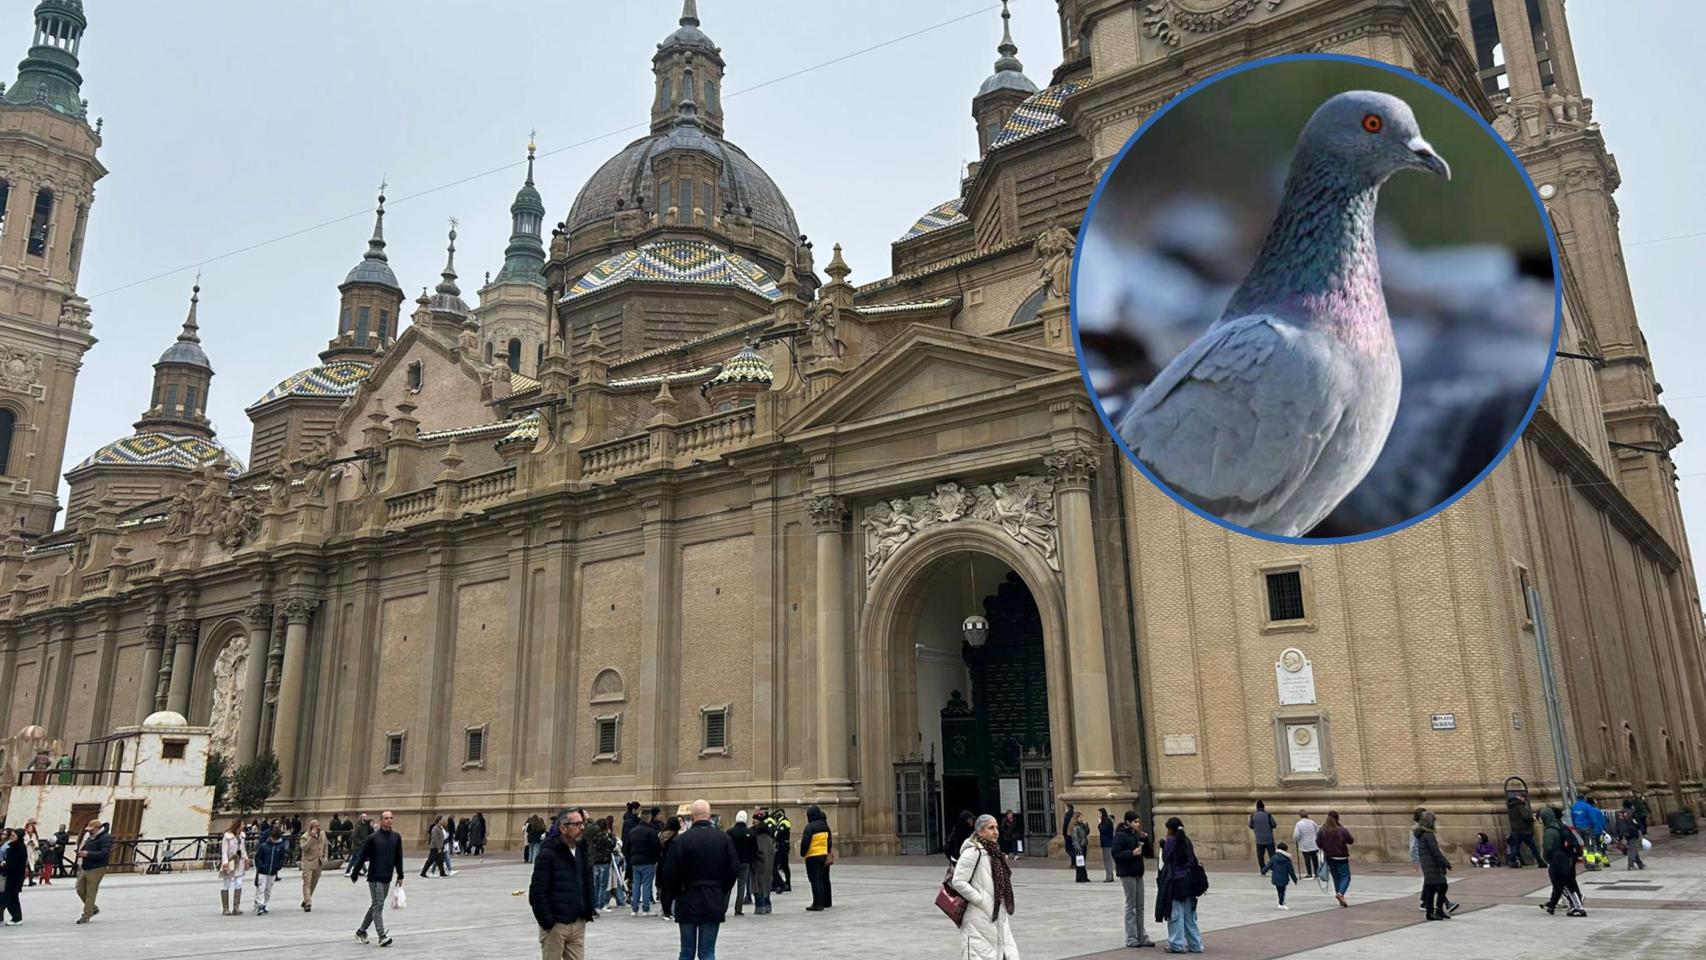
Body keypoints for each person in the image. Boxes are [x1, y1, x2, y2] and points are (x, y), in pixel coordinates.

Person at [664, 799, 739, 960]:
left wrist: (678, 892)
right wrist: (722, 889)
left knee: (686, 951)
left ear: (692, 816)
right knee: (707, 951)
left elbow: (669, 873)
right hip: (713, 897)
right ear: (709, 816)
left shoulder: (680, 841)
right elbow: (733, 869)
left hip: (687, 898)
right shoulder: (723, 839)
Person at [950, 814, 1020, 960]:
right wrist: (980, 899)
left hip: (997, 914)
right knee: (982, 954)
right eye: (991, 828)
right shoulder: (973, 852)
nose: (996, 832)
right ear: (980, 831)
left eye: (996, 828)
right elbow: (958, 881)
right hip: (978, 917)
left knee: (1004, 952)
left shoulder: (994, 853)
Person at [530, 808, 596, 960]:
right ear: (563, 828)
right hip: (556, 925)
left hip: (578, 921)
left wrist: (587, 909)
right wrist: (548, 921)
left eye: (582, 824)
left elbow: (585, 882)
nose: (582, 828)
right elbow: (537, 892)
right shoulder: (548, 854)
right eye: (577, 824)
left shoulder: (581, 850)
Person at [349, 809, 404, 946]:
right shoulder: (372, 838)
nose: (388, 820)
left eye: (391, 818)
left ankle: (361, 931)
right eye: (386, 818)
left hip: (387, 876)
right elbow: (362, 856)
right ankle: (381, 935)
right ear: (381, 820)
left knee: (375, 906)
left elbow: (399, 857)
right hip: (374, 877)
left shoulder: (396, 837)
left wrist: (400, 874)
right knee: (378, 905)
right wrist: (355, 873)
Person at [1112, 810, 1155, 948]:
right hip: (1127, 872)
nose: (1138, 824)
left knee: (1140, 905)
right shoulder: (1120, 836)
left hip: (1138, 872)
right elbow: (1116, 854)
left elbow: (1148, 853)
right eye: (1135, 822)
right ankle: (1131, 937)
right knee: (1131, 905)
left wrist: (1146, 841)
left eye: (1138, 822)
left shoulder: (1136, 835)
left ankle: (1142, 936)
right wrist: (1131, 853)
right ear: (1128, 822)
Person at [1159, 817, 1202, 954]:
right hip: (1189, 881)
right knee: (1189, 916)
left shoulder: (1171, 841)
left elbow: (1166, 859)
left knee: (1176, 914)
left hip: (1175, 882)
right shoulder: (1187, 841)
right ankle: (1195, 944)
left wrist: (1164, 845)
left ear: (1170, 829)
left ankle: (1176, 944)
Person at [1539, 806, 1586, 917]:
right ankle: (1570, 904)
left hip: (1558, 861)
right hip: (1567, 859)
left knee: (1564, 884)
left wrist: (1547, 858)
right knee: (1567, 884)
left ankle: (1578, 906)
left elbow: (1548, 847)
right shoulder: (1561, 826)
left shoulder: (1550, 830)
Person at [1414, 811, 1452, 921]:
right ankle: (1435, 911)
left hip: (1427, 864)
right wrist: (1445, 863)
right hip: (1431, 864)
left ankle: (1433, 911)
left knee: (1433, 888)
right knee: (1441, 886)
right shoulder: (1428, 835)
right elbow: (1435, 851)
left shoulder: (1422, 834)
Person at [74, 820, 114, 924]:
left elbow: (104, 853)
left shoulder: (106, 837)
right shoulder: (90, 837)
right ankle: (93, 908)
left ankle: (86, 915)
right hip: (86, 866)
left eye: (90, 830)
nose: (89, 832)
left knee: (91, 891)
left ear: (97, 828)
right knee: (79, 888)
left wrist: (88, 854)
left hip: (98, 867)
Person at [626, 810, 661, 916]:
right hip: (648, 861)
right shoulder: (651, 831)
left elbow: (627, 847)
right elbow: (655, 847)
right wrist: (656, 858)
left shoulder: (633, 831)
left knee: (636, 884)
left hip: (635, 861)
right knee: (646, 884)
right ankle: (646, 909)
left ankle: (634, 909)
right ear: (649, 818)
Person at [800, 805, 834, 912]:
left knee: (814, 880)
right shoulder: (825, 826)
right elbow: (829, 842)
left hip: (812, 856)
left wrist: (803, 853)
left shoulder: (810, 827)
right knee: (821, 879)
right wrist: (826, 851)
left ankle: (817, 903)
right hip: (822, 855)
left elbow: (805, 843)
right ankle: (823, 901)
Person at [1317, 811, 1354, 907]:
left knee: (1336, 877)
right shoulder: (1341, 830)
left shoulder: (1322, 830)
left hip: (1329, 857)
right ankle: (1340, 893)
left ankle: (1340, 896)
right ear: (1337, 819)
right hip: (1341, 856)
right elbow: (1350, 840)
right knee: (1346, 876)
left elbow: (1318, 843)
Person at [253, 825, 290, 915]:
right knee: (261, 888)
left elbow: (282, 858)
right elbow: (257, 858)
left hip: (273, 871)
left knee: (268, 889)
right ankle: (260, 904)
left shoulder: (280, 847)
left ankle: (264, 904)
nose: (274, 840)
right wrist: (260, 866)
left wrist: (278, 866)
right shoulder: (264, 846)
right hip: (263, 871)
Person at [217, 818, 249, 916]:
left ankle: (236, 907)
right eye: (242, 824)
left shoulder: (242, 836)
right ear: (238, 825)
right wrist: (225, 862)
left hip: (239, 861)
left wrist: (247, 859)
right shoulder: (227, 837)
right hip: (230, 861)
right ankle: (225, 908)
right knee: (226, 883)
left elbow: (243, 849)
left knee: (238, 883)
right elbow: (224, 851)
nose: (243, 826)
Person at [727, 811, 756, 916]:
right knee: (741, 886)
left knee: (728, 886)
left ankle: (723, 908)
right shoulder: (750, 833)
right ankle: (738, 909)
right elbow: (754, 849)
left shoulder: (729, 832)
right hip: (745, 863)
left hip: (732, 863)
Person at [1507, 790, 1542, 867]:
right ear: (1521, 798)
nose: (1524, 800)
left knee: (1515, 847)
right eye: (1523, 798)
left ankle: (1512, 861)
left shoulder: (1511, 805)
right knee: (1533, 847)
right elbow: (1525, 816)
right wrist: (1532, 818)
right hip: (1524, 830)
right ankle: (1540, 862)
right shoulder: (1520, 805)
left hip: (1516, 830)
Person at [299, 818, 327, 912]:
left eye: (319, 826)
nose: (318, 828)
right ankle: (308, 903)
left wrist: (325, 857)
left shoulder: (322, 834)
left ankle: (306, 898)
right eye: (315, 826)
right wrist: (311, 837)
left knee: (313, 883)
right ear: (311, 827)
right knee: (307, 883)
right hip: (308, 862)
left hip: (319, 862)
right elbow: (304, 848)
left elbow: (325, 845)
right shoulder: (305, 836)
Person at [751, 810, 776, 915]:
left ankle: (760, 906)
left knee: (759, 885)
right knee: (766, 885)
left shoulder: (758, 838)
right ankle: (767, 905)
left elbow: (757, 852)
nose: (753, 823)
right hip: (768, 866)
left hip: (759, 866)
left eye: (755, 820)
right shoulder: (770, 838)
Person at [1262, 841, 1298, 910]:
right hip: (1284, 878)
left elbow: (1268, 865)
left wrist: (1263, 871)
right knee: (1282, 891)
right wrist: (1294, 879)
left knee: (1279, 891)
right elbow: (1291, 871)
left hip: (1275, 877)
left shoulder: (1274, 857)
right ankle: (1281, 903)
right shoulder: (1287, 859)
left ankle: (1281, 902)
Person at [2, 827, 27, 925]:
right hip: (11, 875)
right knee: (13, 899)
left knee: (6, 898)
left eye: (13, 836)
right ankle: (17, 918)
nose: (11, 837)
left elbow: (16, 863)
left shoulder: (20, 847)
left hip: (15, 877)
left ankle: (16, 918)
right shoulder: (12, 846)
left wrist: (5, 864)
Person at [768, 807, 792, 893]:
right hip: (782, 846)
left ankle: (781, 884)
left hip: (782, 846)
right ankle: (785, 884)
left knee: (774, 865)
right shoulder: (780, 822)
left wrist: (775, 838)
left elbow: (779, 834)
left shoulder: (784, 822)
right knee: (784, 865)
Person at [1249, 801, 1277, 872]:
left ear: (1257, 807)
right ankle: (1273, 867)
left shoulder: (1253, 816)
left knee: (1260, 855)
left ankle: (1262, 869)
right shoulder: (1268, 815)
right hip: (1269, 838)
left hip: (1259, 839)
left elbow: (1250, 826)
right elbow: (1274, 825)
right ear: (1263, 807)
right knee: (1272, 855)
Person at [1291, 812, 1319, 879]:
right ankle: (1317, 872)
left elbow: (1296, 835)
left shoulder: (1299, 824)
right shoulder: (1312, 822)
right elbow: (1318, 830)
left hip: (1304, 845)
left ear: (1300, 816)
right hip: (1313, 844)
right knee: (1315, 859)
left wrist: (1295, 839)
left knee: (1307, 859)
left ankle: (1309, 873)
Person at [1072, 811, 1091, 883]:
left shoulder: (1082, 826)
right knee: (1080, 863)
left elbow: (1087, 832)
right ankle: (1080, 877)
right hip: (1079, 847)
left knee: (1083, 863)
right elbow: (1075, 839)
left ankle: (1084, 877)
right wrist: (1078, 848)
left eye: (1082, 817)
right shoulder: (1075, 827)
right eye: (1080, 817)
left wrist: (1086, 825)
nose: (1081, 818)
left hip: (1084, 845)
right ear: (1076, 818)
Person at [1098, 809, 1117, 882]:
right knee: (1107, 860)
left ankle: (1109, 877)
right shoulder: (1107, 821)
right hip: (1106, 843)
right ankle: (1109, 875)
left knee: (1108, 860)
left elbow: (1103, 830)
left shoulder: (1106, 822)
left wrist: (1099, 824)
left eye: (1100, 813)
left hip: (1107, 843)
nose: (1099, 815)